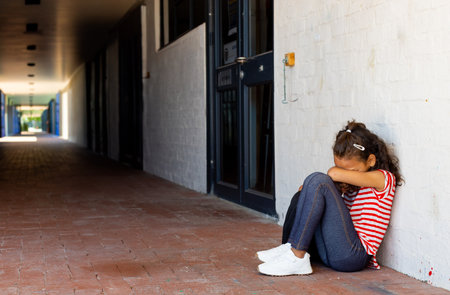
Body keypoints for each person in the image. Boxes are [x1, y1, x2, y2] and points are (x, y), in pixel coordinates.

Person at [256, 120, 403, 276]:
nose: (344, 173)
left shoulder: (383, 178)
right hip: (333, 251)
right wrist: (309, 191)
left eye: (350, 170)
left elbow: (333, 173)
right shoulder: (353, 185)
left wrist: (324, 182)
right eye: (339, 166)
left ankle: (296, 256)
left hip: (353, 256)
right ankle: (290, 248)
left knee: (318, 181)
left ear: (371, 161)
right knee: (302, 194)